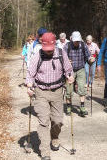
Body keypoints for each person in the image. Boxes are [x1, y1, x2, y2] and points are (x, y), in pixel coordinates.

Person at [25, 32, 74, 160]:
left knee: (57, 121)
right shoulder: (38, 55)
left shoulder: (61, 53)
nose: (48, 52)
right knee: (43, 122)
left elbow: (68, 69)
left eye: (50, 50)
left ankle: (55, 137)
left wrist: (70, 75)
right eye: (46, 50)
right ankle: (45, 151)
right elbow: (30, 73)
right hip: (41, 92)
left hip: (57, 91)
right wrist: (29, 85)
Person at [64, 31, 92, 116]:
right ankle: (69, 107)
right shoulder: (67, 46)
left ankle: (82, 108)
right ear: (72, 39)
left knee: (81, 88)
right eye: (75, 41)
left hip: (81, 69)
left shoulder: (83, 45)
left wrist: (91, 60)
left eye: (78, 41)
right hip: (70, 70)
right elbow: (62, 58)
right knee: (69, 90)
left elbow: (88, 56)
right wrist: (66, 61)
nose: (76, 42)